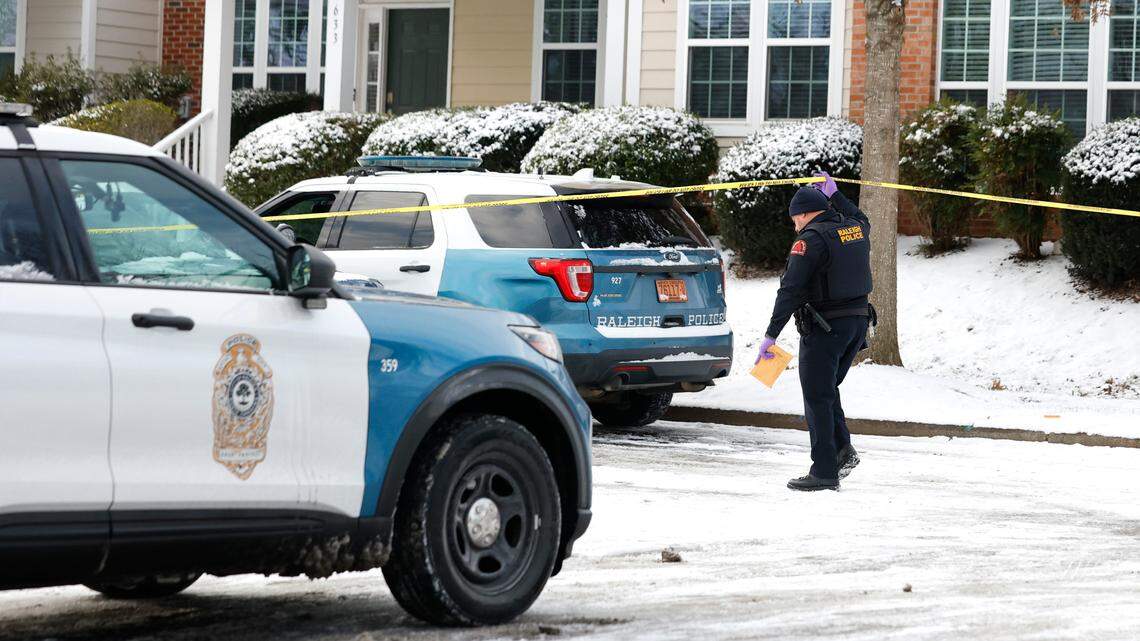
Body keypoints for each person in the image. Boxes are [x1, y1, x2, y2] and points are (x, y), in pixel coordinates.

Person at [757, 172, 874, 491]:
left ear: (804, 214)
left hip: (825, 328)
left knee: (817, 396)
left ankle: (823, 471)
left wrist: (771, 335)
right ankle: (842, 450)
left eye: (795, 219)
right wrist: (836, 194)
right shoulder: (853, 228)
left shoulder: (810, 240)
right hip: (857, 324)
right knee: (827, 388)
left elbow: (790, 290)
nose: (795, 226)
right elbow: (862, 217)